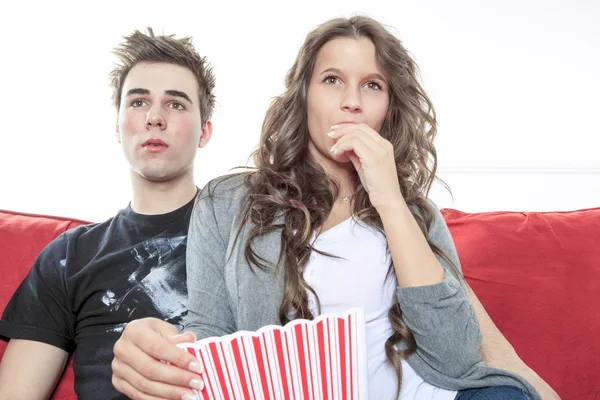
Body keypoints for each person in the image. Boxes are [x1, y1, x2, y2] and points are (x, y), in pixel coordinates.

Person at [111, 16, 561, 400]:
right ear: (304, 95)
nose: (352, 101)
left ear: (387, 107)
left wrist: (388, 198)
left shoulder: (416, 214)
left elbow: (457, 354)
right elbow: (212, 331)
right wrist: (161, 352)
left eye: (372, 85)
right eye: (332, 80)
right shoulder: (227, 201)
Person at [0, 28, 215, 399]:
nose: (155, 117)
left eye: (176, 104)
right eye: (138, 102)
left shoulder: (246, 230)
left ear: (204, 131)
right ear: (117, 127)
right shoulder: (69, 255)